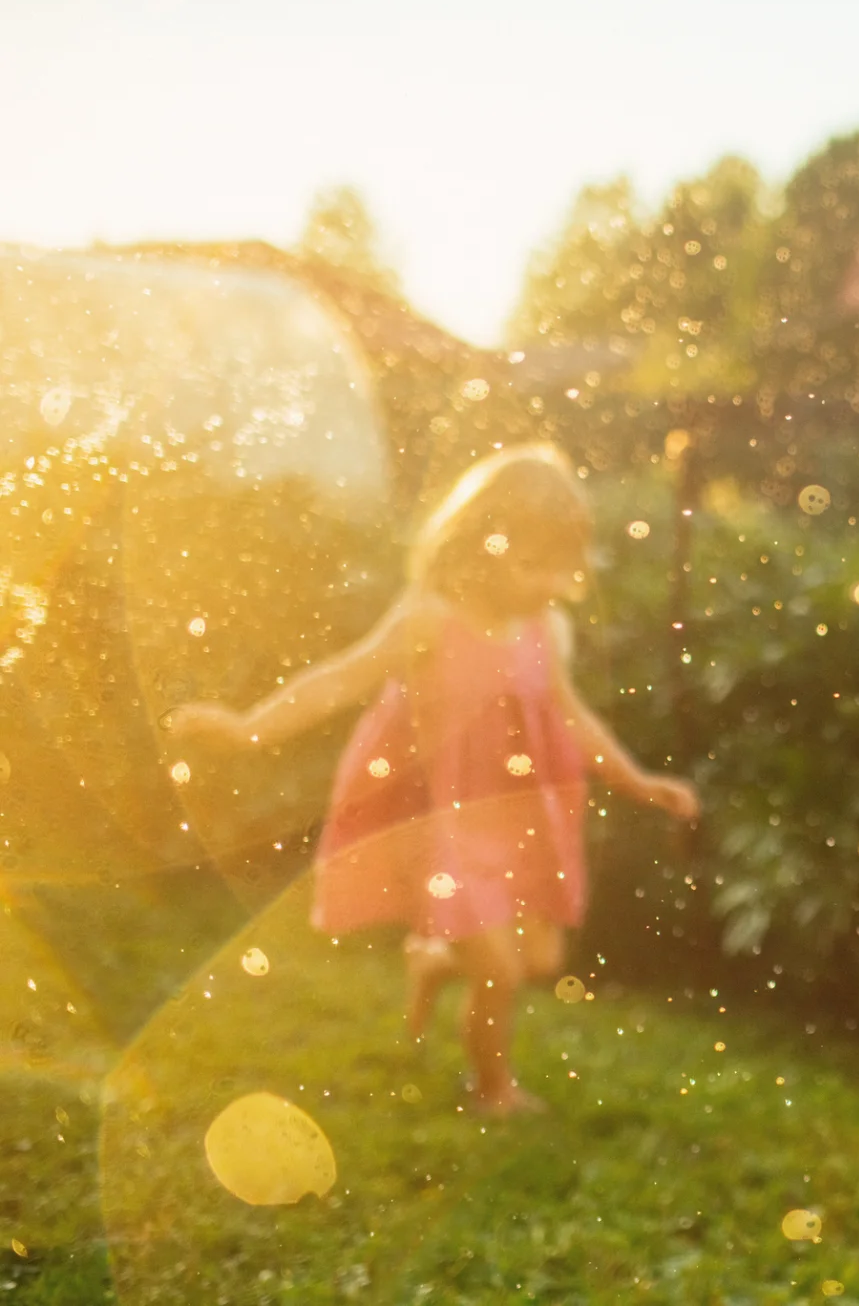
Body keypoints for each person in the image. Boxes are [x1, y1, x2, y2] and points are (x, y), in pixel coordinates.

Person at [169, 443, 698, 1114]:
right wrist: (249, 727)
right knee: (501, 973)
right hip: (443, 819)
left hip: (516, 819)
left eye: (560, 567)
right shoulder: (429, 620)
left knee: (538, 961)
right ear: (479, 547)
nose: (547, 583)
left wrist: (637, 780)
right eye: (532, 564)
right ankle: (492, 1089)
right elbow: (339, 680)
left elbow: (573, 718)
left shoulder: (546, 629)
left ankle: (437, 961)